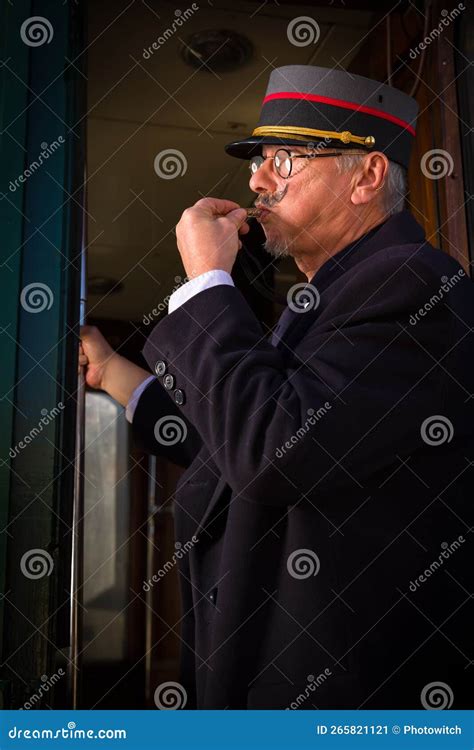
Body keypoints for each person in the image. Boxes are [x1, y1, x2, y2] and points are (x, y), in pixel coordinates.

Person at [80, 65, 474, 709]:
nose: (258, 180)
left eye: (286, 159)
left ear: (368, 177)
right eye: (259, 160)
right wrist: (112, 373)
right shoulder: (326, 298)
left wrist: (208, 281)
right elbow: (225, 436)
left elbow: (273, 448)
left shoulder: (410, 284)